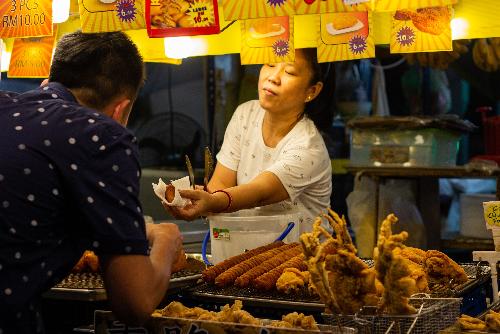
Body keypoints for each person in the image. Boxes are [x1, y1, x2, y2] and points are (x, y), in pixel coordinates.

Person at [0, 31, 183, 334]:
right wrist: (166, 238)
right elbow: (133, 304)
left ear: (47, 84)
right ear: (120, 110)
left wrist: (139, 230)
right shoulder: (103, 135)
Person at [166, 48, 333, 234]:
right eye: (270, 64)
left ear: (312, 91)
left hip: (303, 257)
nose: (273, 77)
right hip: (252, 251)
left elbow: (260, 192)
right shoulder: (246, 114)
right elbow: (221, 184)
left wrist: (213, 201)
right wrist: (200, 199)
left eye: (289, 72)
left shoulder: (308, 147)